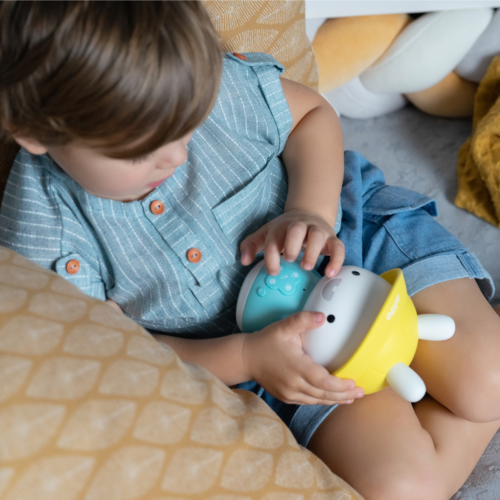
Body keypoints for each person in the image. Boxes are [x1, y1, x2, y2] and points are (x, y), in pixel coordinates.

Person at [1, 2, 499, 499]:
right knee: (404, 489)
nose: (177, 155)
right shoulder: (48, 237)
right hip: (275, 355)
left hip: (354, 239)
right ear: (36, 130)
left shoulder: (202, 79)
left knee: (488, 380)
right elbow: (125, 351)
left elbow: (312, 115)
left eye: (189, 123)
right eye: (141, 149)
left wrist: (310, 211)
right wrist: (246, 357)